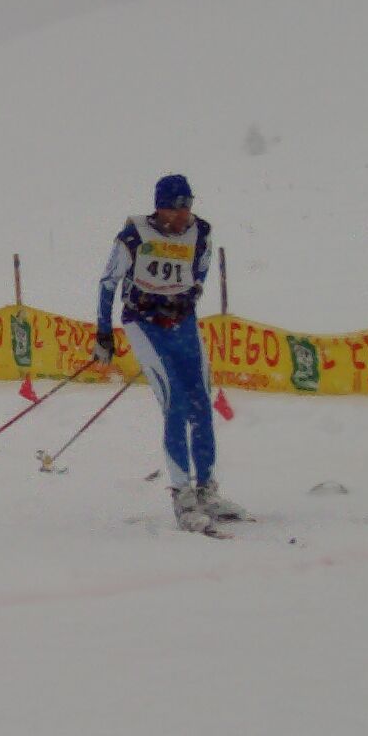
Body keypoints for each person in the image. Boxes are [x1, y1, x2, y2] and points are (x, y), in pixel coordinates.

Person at [93, 174, 242, 533]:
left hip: (182, 322)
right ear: (159, 207)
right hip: (144, 323)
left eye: (186, 206)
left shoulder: (200, 232)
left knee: (201, 402)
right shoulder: (134, 236)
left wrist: (187, 295)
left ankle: (206, 490)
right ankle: (182, 496)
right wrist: (103, 332)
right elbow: (108, 282)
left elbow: (201, 269)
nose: (181, 214)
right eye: (174, 208)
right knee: (174, 401)